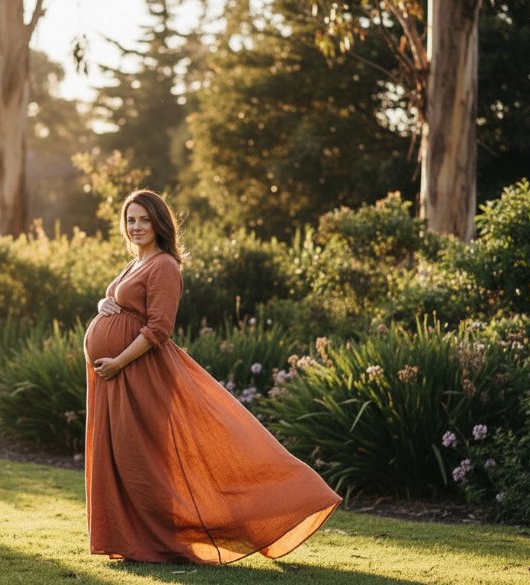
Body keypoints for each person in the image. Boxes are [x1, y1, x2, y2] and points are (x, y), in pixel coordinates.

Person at [83, 189, 341, 565]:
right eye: (131, 220)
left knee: (141, 458)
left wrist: (119, 361)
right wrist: (104, 303)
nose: (136, 226)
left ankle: (165, 540)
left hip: (138, 373)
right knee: (120, 455)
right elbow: (122, 303)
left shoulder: (164, 266)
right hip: (114, 376)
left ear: (159, 223)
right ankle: (132, 540)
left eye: (144, 219)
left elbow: (159, 329)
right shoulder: (136, 262)